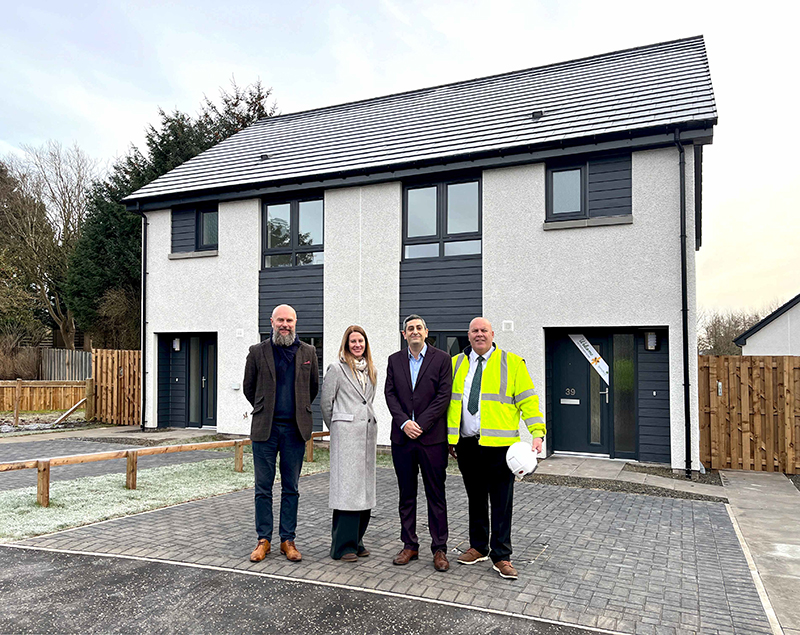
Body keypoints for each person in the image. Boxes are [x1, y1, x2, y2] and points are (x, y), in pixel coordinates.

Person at [447, 317, 545, 580]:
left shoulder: (512, 363)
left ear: (492, 334)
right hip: (467, 445)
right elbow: (449, 402)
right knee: (475, 498)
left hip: (500, 447)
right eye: (474, 331)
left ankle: (501, 555)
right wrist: (450, 437)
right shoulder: (456, 363)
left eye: (484, 331)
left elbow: (528, 401)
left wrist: (537, 433)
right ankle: (478, 547)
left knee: (501, 502)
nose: (479, 335)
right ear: (468, 336)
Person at [243, 304, 319, 563]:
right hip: (266, 430)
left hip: (294, 430)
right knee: (263, 488)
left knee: (291, 488)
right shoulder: (257, 352)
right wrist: (265, 409)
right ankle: (263, 540)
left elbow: (313, 388)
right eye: (280, 320)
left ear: (295, 323)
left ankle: (288, 540)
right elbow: (248, 388)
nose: (285, 325)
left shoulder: (308, 352)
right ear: (271, 322)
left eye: (289, 320)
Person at [384, 314, 453, 572]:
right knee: (406, 494)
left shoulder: (442, 359)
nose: (414, 332)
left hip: (432, 438)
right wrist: (404, 423)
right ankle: (409, 545)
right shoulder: (394, 360)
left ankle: (439, 549)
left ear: (426, 332)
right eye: (409, 328)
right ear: (404, 335)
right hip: (403, 438)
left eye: (418, 328)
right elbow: (390, 394)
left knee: (436, 495)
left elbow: (443, 396)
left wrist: (420, 424)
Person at [320, 325, 379, 562]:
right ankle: (342, 546)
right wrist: (338, 426)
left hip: (366, 435)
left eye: (361, 342)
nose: (357, 345)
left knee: (364, 491)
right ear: (346, 345)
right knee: (347, 491)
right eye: (353, 342)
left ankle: (357, 540)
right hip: (346, 437)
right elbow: (326, 403)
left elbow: (368, 401)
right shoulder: (336, 369)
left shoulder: (372, 370)